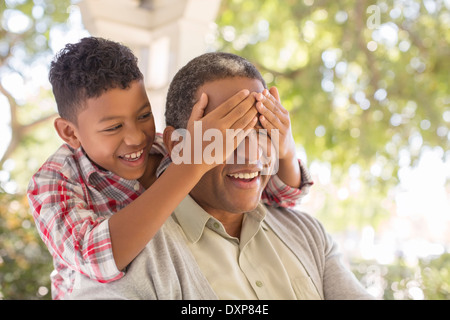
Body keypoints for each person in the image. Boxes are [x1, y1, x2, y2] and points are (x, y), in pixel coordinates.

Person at [68, 52, 373, 300]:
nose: (252, 154)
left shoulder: (309, 235)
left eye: (263, 131)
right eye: (228, 136)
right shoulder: (131, 260)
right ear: (178, 145)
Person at [26, 37, 313, 299]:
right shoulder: (53, 182)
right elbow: (97, 261)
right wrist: (192, 163)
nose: (137, 137)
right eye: (114, 127)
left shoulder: (169, 148)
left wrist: (284, 150)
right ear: (70, 133)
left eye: (144, 115)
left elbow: (280, 197)